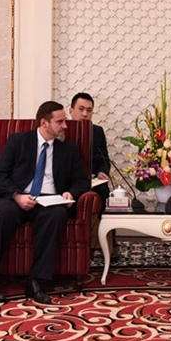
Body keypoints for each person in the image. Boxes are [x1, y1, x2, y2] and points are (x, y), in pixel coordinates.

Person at [0, 101, 90, 304]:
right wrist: (17, 196)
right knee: (3, 213)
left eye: (64, 121)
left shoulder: (68, 149)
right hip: (17, 197)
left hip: (50, 200)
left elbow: (82, 181)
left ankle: (36, 281)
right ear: (44, 123)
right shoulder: (18, 141)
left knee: (57, 214)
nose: (65, 126)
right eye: (60, 122)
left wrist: (70, 193)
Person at [69, 92, 114, 255]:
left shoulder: (97, 131)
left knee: (105, 193)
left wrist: (102, 172)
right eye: (81, 109)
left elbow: (104, 159)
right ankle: (75, 242)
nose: (85, 114)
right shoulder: (63, 129)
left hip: (93, 180)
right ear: (71, 111)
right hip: (70, 182)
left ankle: (109, 245)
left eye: (89, 110)